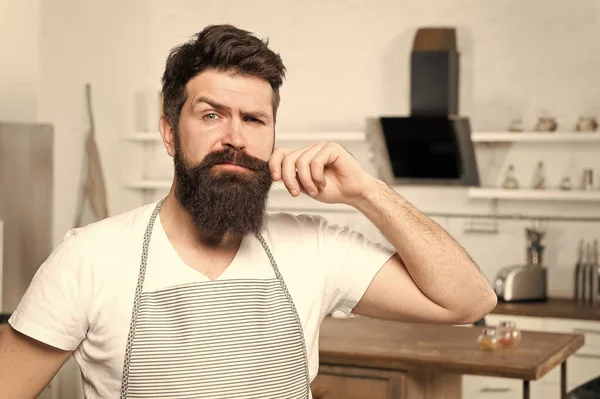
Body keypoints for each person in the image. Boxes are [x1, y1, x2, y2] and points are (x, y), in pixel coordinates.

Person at [0, 24, 497, 399]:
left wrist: (366, 192)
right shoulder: (91, 257)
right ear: (170, 132)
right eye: (211, 115)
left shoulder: (315, 247)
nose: (235, 138)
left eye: (254, 119)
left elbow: (469, 302)